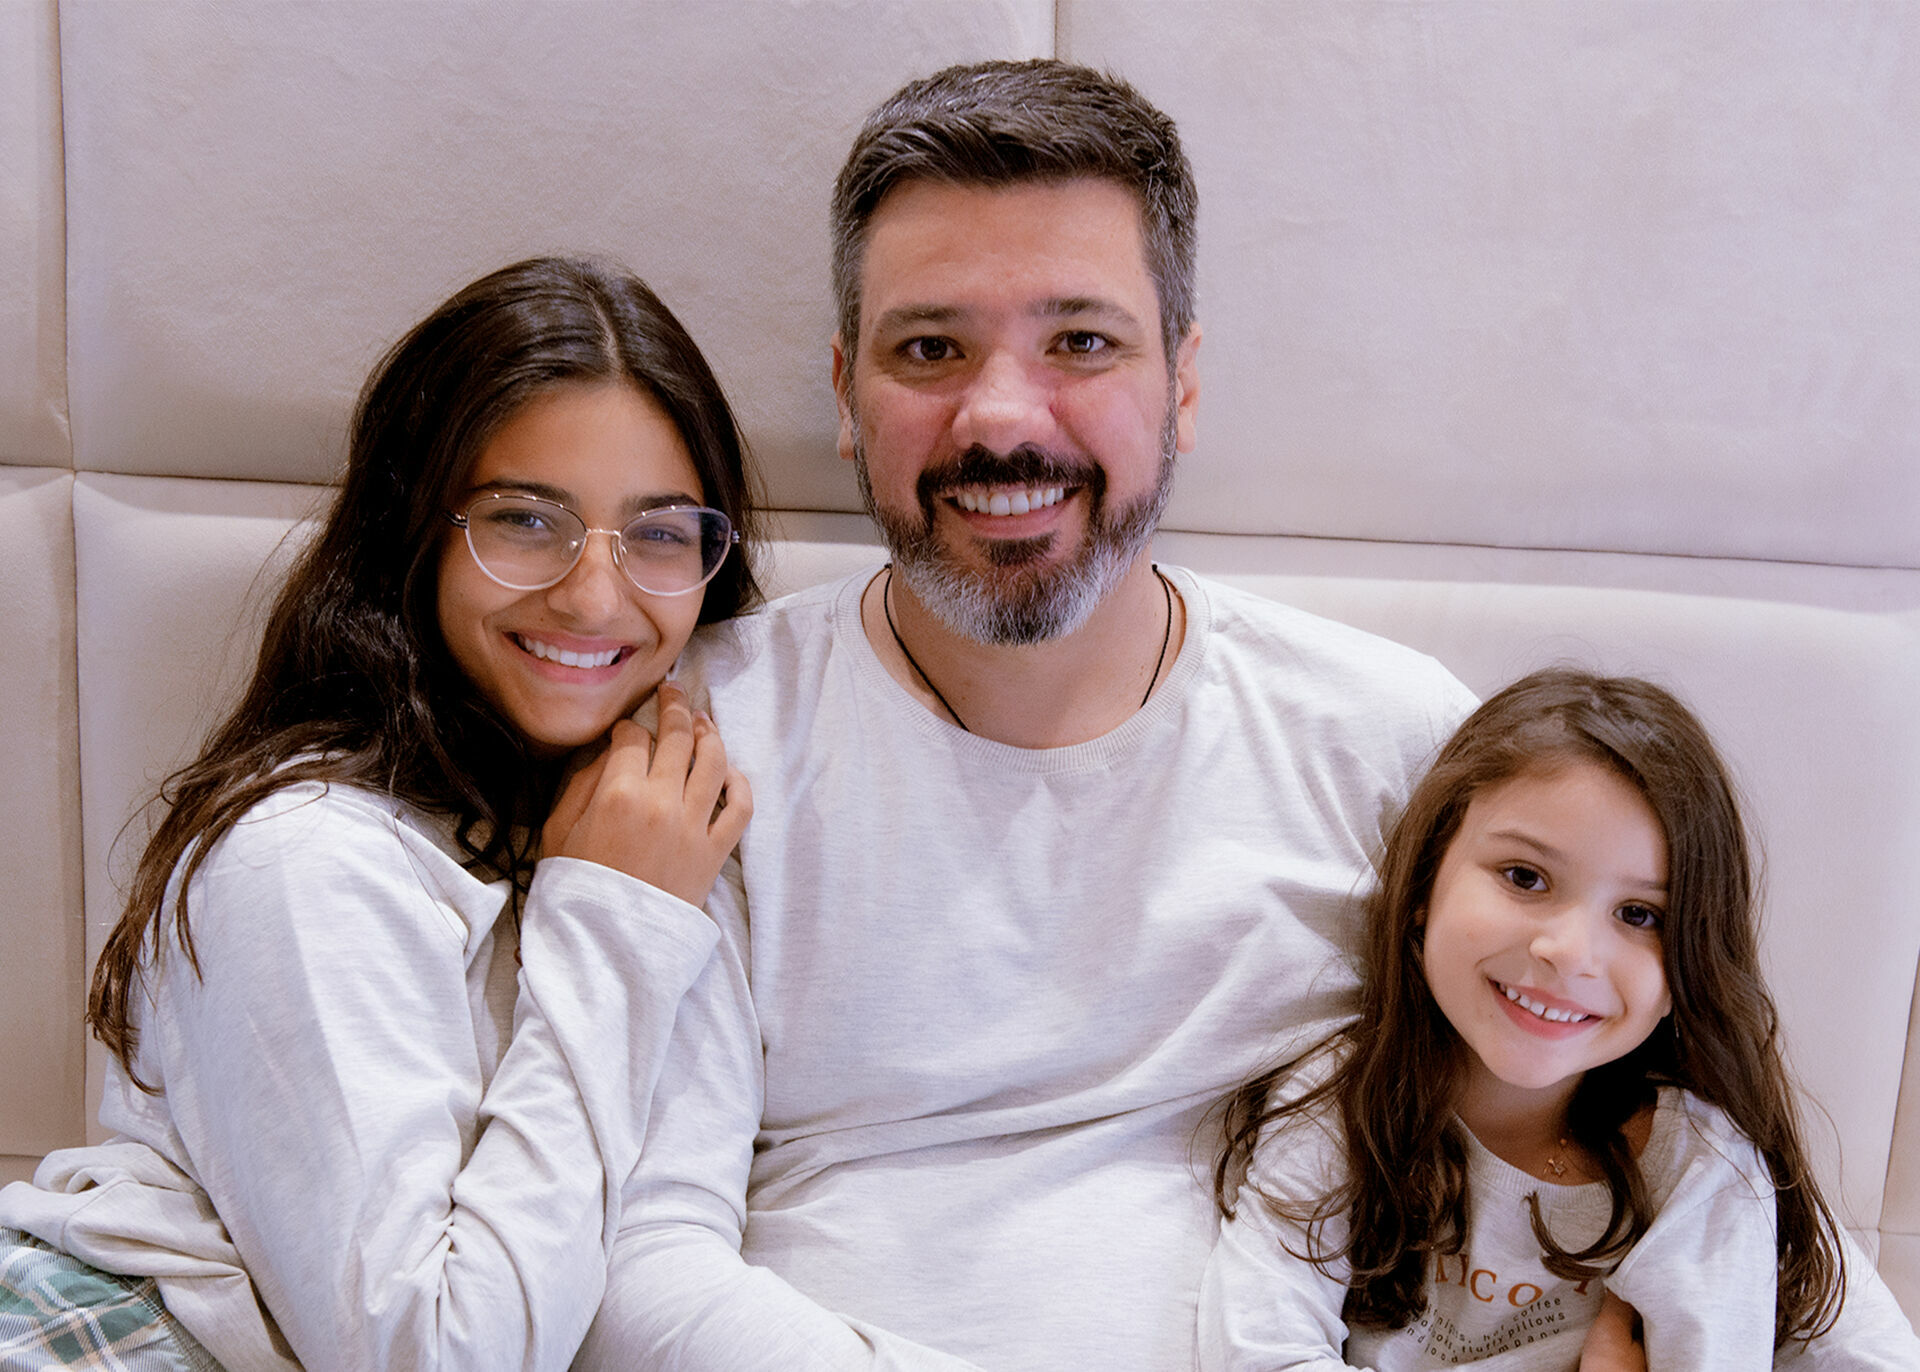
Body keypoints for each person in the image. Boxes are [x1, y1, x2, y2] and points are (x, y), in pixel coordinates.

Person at [574, 60, 1479, 1370]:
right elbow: (635, 1266)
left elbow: (1634, 1129)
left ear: (1184, 381)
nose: (1001, 417)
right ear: (845, 394)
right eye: (930, 348)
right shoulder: (701, 738)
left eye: (1082, 342)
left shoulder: (1387, 748)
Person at [0, 255, 760, 1371]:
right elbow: (431, 1356)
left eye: (658, 532)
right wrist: (618, 920)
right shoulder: (306, 858)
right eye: (525, 520)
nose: (597, 595)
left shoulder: (618, 823)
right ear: (416, 527)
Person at [1203, 670, 1920, 1371]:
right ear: (1424, 884)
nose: (1571, 954)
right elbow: (1260, 1352)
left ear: (1686, 971)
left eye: (1640, 915)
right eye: (1525, 877)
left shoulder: (1704, 1165)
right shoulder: (1335, 1106)